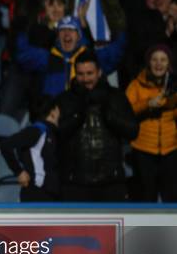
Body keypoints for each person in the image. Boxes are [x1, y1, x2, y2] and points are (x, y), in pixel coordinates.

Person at [57, 51, 139, 201]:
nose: (85, 79)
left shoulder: (116, 96)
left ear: (99, 72)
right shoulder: (65, 99)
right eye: (81, 74)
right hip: (75, 181)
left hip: (111, 181)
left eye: (90, 73)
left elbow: (133, 131)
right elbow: (57, 134)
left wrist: (109, 115)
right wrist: (79, 114)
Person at [16, 14, 126, 99]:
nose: (66, 33)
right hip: (55, 116)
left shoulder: (90, 58)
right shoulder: (47, 58)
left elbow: (117, 50)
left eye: (71, 29)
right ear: (58, 36)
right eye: (62, 30)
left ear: (79, 36)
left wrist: (120, 25)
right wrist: (21, 29)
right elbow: (23, 54)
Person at [126, 44, 177, 202]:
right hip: (143, 150)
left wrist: (170, 103)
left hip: (170, 149)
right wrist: (147, 104)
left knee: (171, 196)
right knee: (146, 196)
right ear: (148, 62)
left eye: (163, 60)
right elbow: (125, 111)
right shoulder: (136, 84)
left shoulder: (174, 85)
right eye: (154, 60)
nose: (159, 64)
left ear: (169, 64)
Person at [0, 98, 60, 201]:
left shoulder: (51, 132)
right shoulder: (36, 131)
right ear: (52, 112)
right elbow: (5, 145)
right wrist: (19, 171)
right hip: (37, 193)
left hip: (50, 192)